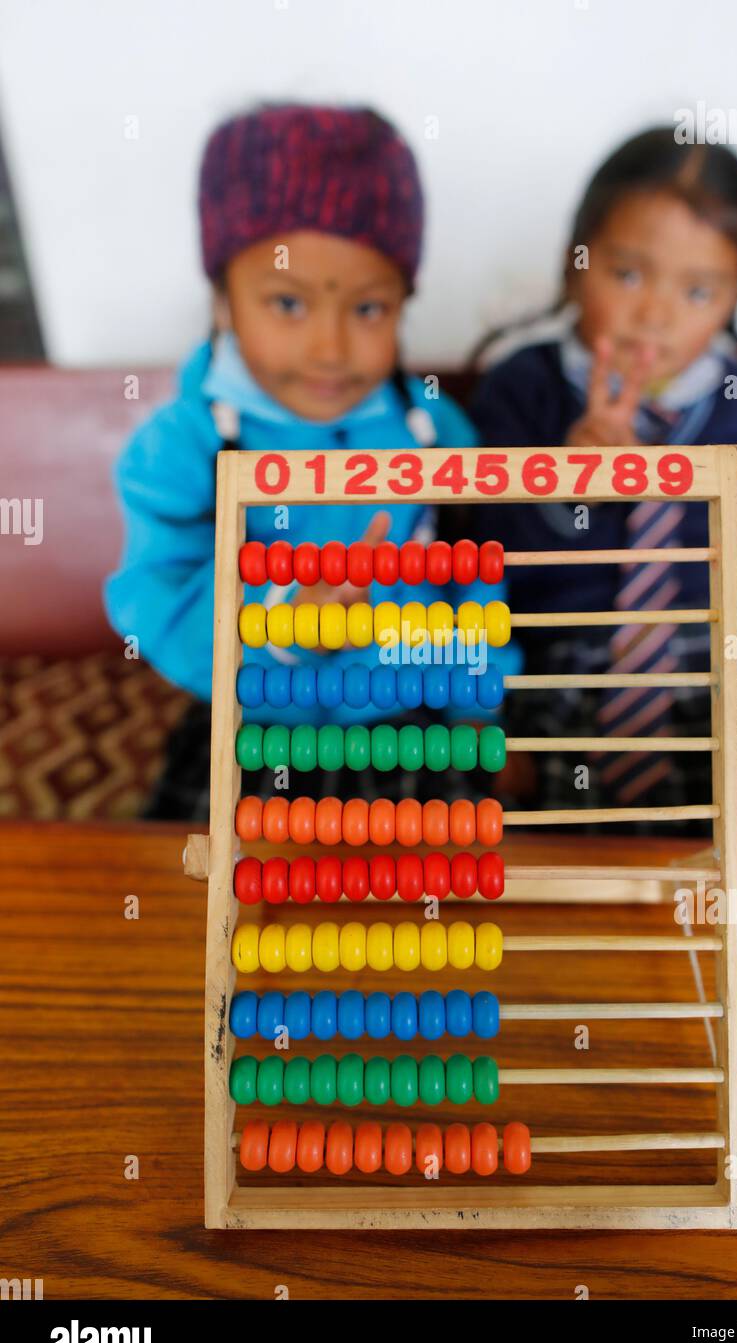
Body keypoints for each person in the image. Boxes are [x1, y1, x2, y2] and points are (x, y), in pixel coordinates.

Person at [105, 102, 508, 819]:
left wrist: (479, 707)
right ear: (224, 302)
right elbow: (154, 598)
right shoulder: (181, 444)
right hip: (247, 718)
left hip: (404, 722)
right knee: (185, 904)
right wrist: (280, 624)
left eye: (368, 310)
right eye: (287, 303)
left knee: (443, 893)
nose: (329, 349)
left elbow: (476, 582)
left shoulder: (437, 433)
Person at [468, 127, 737, 839]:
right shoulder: (521, 387)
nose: (656, 313)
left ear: (732, 298)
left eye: (697, 290)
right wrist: (569, 479)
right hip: (569, 672)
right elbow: (481, 552)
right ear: (573, 264)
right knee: (571, 851)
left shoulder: (734, 394)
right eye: (627, 275)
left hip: (734, 669)